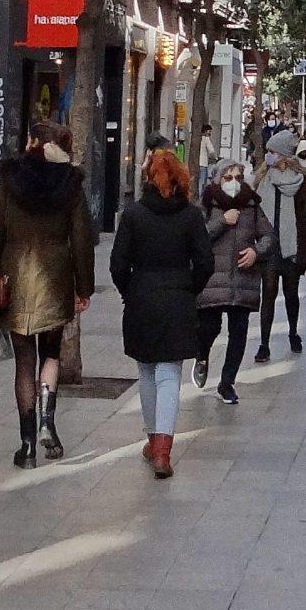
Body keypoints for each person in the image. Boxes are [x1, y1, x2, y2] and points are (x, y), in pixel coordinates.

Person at [0, 120, 95, 470]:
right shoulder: (71, 183)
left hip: (14, 277)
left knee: (23, 362)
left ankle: (27, 446)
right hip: (56, 277)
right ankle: (48, 423)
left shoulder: (9, 180)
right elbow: (83, 238)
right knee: (52, 353)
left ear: (32, 143)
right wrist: (84, 286)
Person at [108, 147, 212, 479]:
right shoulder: (191, 216)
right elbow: (206, 262)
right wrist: (188, 288)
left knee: (148, 374)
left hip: (142, 299)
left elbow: (118, 264)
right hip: (178, 299)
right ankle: (164, 452)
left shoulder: (134, 214)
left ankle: (154, 441)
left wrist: (131, 290)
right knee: (169, 376)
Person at [194, 161, 273, 403]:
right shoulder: (207, 204)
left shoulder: (251, 204)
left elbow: (269, 236)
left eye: (238, 177)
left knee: (238, 333)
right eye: (228, 178)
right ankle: (202, 356)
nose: (234, 182)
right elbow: (197, 239)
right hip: (213, 280)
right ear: (218, 180)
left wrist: (256, 253)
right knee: (209, 327)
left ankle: (227, 383)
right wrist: (222, 222)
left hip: (243, 280)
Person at [253, 132, 306, 360]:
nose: (269, 157)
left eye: (273, 153)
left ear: (284, 155)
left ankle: (293, 333)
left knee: (291, 294)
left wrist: (299, 168)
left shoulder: (301, 182)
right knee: (269, 293)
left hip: (292, 247)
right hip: (269, 246)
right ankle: (264, 344)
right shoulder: (263, 177)